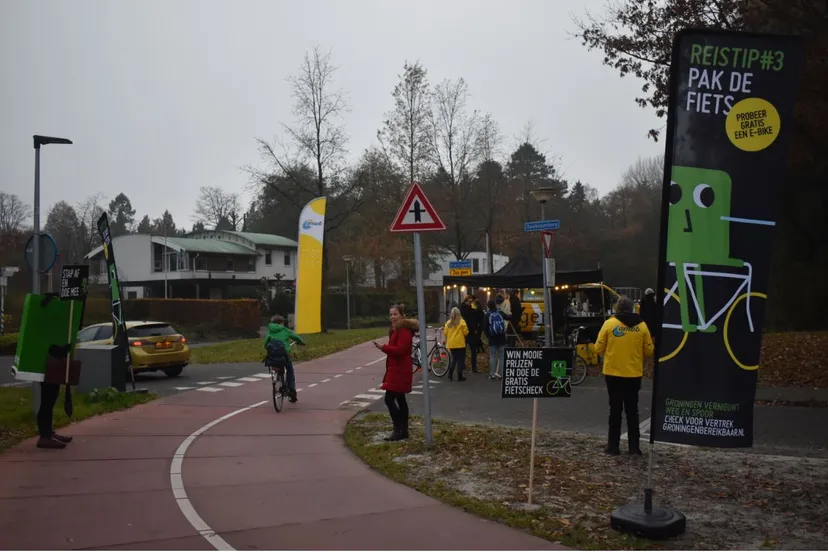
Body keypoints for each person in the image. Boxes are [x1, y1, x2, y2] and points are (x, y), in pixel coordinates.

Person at [594, 296, 654, 456]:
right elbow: (649, 350)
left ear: (617, 308)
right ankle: (634, 448)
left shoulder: (609, 324)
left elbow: (598, 347)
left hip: (613, 373)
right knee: (632, 411)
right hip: (633, 374)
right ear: (633, 308)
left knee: (615, 410)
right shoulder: (642, 326)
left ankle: (613, 446)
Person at [373, 304, 417, 441]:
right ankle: (403, 430)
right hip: (396, 367)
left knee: (389, 399)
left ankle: (398, 429)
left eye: (395, 314)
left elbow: (401, 350)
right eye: (391, 314)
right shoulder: (395, 330)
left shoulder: (403, 330)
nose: (392, 317)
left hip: (400, 368)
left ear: (402, 315)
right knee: (400, 398)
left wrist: (383, 347)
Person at [263, 314, 305, 402]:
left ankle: (278, 379)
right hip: (283, 355)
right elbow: (296, 337)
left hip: (272, 356)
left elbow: (265, 343)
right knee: (289, 369)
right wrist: (302, 342)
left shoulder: (270, 331)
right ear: (281, 323)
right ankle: (292, 390)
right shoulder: (285, 330)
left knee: (277, 367)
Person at [443, 307, 469, 381]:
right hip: (460, 344)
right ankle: (459, 376)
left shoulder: (448, 323)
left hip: (451, 344)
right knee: (460, 360)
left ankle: (450, 374)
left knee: (454, 359)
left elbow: (445, 333)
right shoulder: (461, 321)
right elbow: (466, 332)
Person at [484, 300, 507, 380]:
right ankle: (501, 374)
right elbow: (508, 317)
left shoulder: (487, 315)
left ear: (488, 306)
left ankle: (492, 374)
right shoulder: (500, 313)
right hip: (502, 338)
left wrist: (488, 336)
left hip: (492, 339)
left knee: (493, 356)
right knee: (501, 357)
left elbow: (485, 328)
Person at [459, 295, 483, 373]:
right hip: (468, 332)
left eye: (471, 302)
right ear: (466, 301)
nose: (470, 303)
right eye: (469, 302)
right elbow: (476, 318)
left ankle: (464, 366)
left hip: (467, 332)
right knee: (469, 350)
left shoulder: (464, 309)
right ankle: (472, 367)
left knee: (466, 350)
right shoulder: (468, 310)